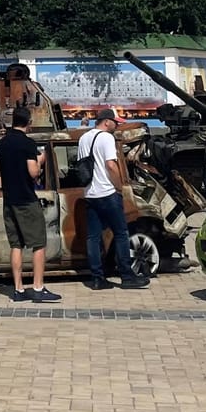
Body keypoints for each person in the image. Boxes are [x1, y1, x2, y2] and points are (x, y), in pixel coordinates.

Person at [0, 105, 59, 303]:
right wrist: (40, 161)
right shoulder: (28, 144)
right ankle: (38, 287)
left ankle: (18, 289)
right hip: (26, 199)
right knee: (38, 244)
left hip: (9, 200)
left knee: (16, 245)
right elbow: (33, 172)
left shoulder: (2, 143)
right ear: (29, 124)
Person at [81, 108, 145, 291]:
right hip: (107, 193)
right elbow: (110, 164)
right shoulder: (106, 138)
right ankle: (127, 275)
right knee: (121, 233)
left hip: (90, 194)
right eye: (115, 122)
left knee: (93, 237)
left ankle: (97, 278)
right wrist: (119, 186)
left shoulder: (84, 138)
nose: (117, 125)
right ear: (106, 121)